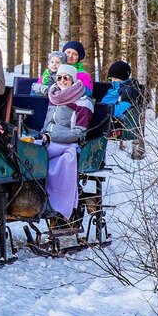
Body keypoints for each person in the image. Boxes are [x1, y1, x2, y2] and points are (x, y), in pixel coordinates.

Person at [34, 63, 94, 225]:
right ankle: (33, 195)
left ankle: (57, 203)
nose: (61, 80)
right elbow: (48, 123)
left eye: (66, 78)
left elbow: (78, 132)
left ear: (73, 79)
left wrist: (51, 136)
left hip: (68, 143)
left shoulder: (82, 101)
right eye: (59, 77)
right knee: (26, 148)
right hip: (48, 139)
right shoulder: (54, 96)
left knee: (38, 153)